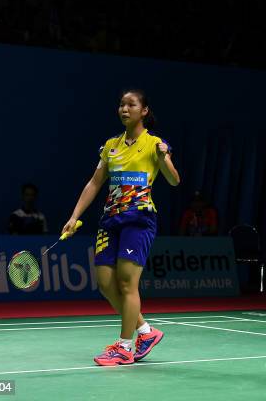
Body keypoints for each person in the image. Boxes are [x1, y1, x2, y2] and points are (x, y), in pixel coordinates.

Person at [62, 89, 180, 366]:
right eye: (121, 104)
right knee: (105, 284)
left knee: (127, 283)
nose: (124, 109)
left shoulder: (155, 144)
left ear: (144, 110)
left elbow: (174, 181)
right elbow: (94, 182)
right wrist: (74, 215)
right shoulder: (110, 146)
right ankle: (146, 332)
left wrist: (164, 157)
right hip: (110, 220)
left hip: (138, 220)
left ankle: (125, 346)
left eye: (131, 104)